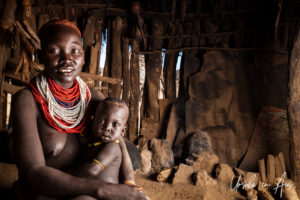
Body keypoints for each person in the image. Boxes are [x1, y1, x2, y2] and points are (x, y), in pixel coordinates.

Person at [10, 19, 147, 200]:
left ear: (84, 56)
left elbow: (119, 145)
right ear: (41, 56)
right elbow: (32, 172)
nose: (67, 59)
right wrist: (100, 189)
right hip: (48, 192)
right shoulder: (27, 101)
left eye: (75, 50)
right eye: (54, 51)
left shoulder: (95, 100)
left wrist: (129, 183)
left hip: (89, 191)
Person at [70, 97, 137, 187]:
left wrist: (59, 174)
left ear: (123, 131)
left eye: (115, 124)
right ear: (92, 122)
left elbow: (91, 170)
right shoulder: (92, 144)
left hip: (106, 194)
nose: (107, 128)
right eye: (101, 121)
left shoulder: (112, 147)